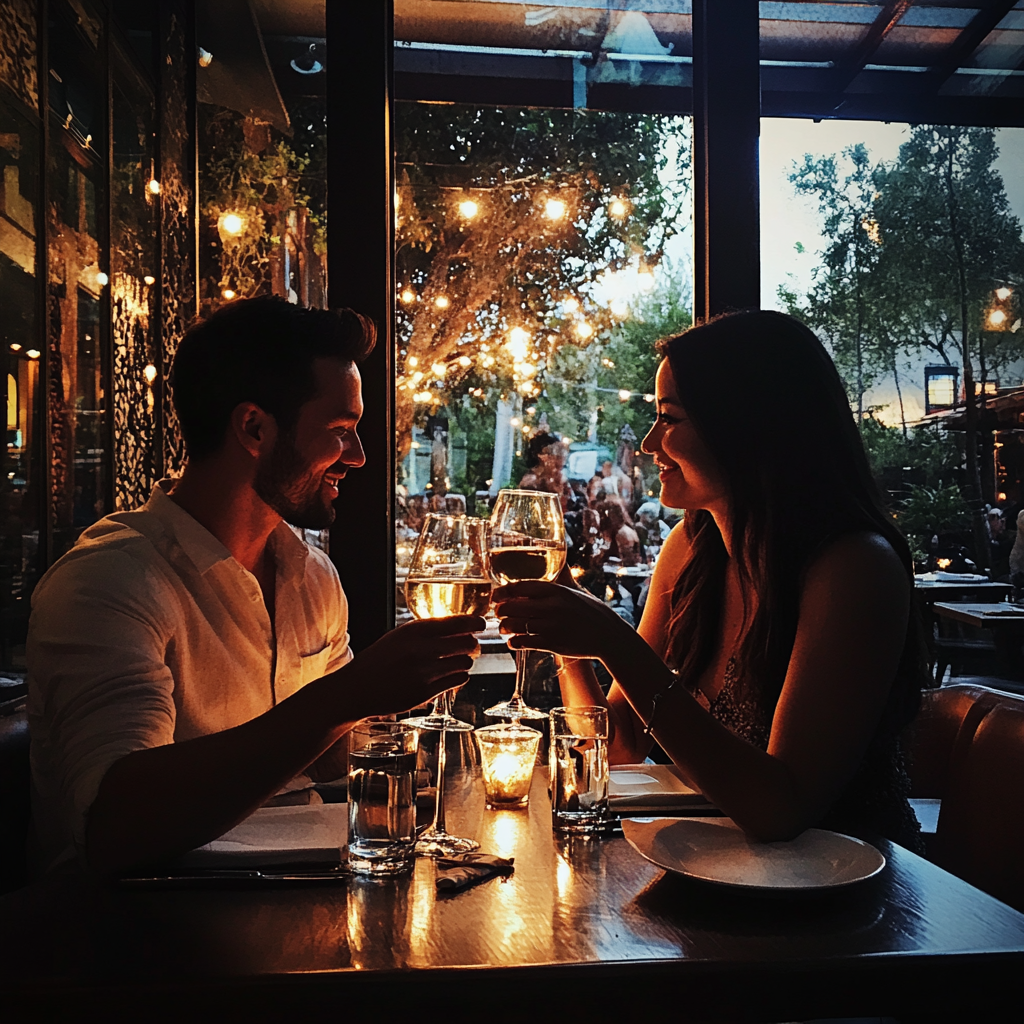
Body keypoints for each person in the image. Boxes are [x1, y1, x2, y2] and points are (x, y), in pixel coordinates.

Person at [27, 298, 484, 876]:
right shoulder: (108, 582)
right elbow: (116, 826)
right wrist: (350, 695)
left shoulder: (312, 575)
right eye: (341, 431)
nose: (360, 457)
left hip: (300, 909)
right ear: (254, 428)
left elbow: (329, 758)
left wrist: (410, 719)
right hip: (140, 941)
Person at [494, 310, 926, 848]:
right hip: (725, 876)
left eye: (669, 418)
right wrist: (571, 645)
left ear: (744, 427)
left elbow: (780, 808)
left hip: (857, 894)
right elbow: (617, 748)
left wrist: (614, 642)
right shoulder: (692, 549)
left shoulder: (853, 567)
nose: (650, 444)